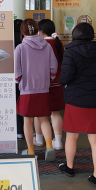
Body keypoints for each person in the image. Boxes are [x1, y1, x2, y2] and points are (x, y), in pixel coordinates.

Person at [58, 23, 96, 188]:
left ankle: (69, 167)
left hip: (75, 100)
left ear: (75, 35)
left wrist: (61, 82)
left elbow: (66, 76)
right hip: (95, 102)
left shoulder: (70, 52)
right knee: (95, 141)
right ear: (92, 35)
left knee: (71, 136)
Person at [15, 19, 58, 161]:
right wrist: (48, 80)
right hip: (43, 89)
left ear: (23, 32)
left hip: (27, 90)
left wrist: (19, 81)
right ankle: (49, 147)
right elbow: (54, 67)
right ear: (37, 29)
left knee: (27, 121)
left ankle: (31, 150)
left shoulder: (20, 48)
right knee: (44, 119)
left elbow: (16, 71)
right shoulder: (47, 46)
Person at [33, 19, 65, 150]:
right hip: (57, 83)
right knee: (55, 113)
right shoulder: (58, 43)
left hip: (43, 84)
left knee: (39, 113)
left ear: (41, 31)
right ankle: (58, 142)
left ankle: (39, 139)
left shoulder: (41, 44)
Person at [13, 19, 24, 139]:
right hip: (27, 79)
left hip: (13, 77)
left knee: (15, 103)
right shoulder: (25, 40)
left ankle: (18, 131)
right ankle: (24, 130)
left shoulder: (8, 40)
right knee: (24, 105)